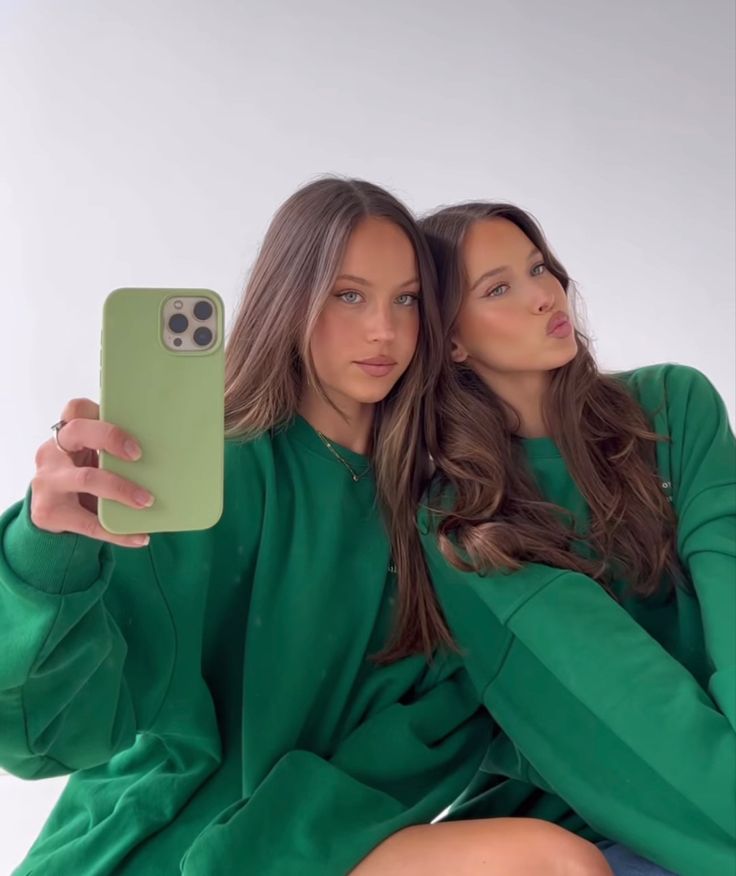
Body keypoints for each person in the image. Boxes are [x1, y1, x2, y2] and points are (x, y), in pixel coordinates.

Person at [0, 180, 611, 875]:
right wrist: (47, 556)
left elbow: (491, 714)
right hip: (164, 847)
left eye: (405, 299)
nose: (383, 330)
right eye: (348, 295)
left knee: (559, 861)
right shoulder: (216, 468)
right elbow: (46, 735)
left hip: (318, 843)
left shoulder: (444, 503)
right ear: (291, 297)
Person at [416, 201, 736, 876]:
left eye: (539, 268)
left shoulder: (674, 405)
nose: (542, 295)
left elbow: (732, 588)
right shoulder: (460, 521)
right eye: (499, 288)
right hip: (604, 818)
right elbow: (627, 699)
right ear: (451, 341)